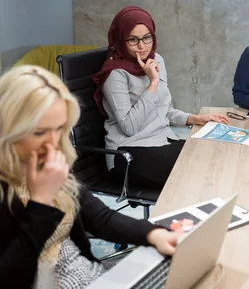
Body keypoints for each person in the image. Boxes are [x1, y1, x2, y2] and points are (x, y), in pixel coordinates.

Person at [0, 65, 182, 289]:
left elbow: (99, 218)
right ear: (9, 128)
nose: (53, 142)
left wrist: (152, 233)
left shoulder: (45, 161)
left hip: (85, 274)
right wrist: (41, 202)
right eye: (39, 132)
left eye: (59, 128)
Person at [93, 6, 229, 189]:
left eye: (147, 38)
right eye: (133, 40)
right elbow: (129, 127)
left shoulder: (156, 60)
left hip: (161, 141)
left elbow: (164, 110)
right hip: (127, 153)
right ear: (121, 40)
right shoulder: (115, 74)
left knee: (212, 155)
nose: (142, 46)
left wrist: (195, 118)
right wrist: (153, 83)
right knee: (195, 175)